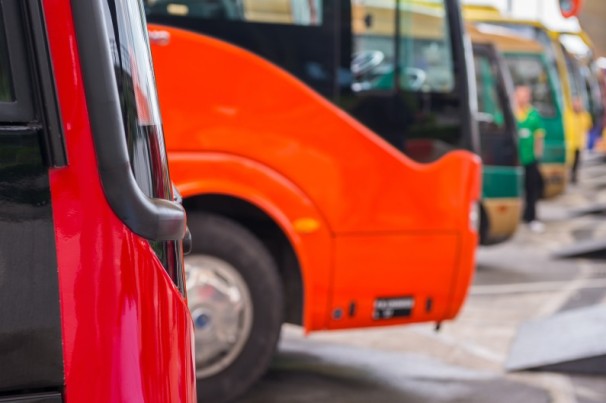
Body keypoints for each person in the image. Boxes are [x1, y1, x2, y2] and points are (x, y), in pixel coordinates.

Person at [514, 85, 545, 232]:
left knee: (532, 189)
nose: (523, 98)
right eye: (520, 95)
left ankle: (531, 217)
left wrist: (537, 156)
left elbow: (539, 136)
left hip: (529, 158)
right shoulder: (511, 112)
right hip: (513, 159)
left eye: (526, 95)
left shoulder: (533, 114)